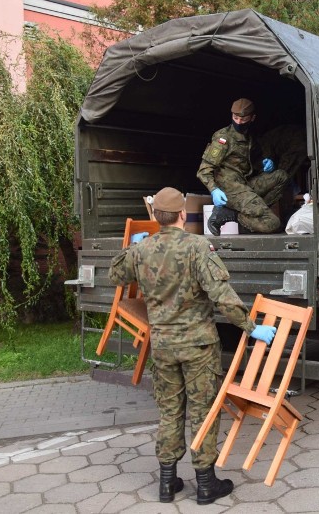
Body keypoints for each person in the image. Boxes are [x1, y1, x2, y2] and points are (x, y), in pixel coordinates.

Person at [108, 187, 277, 505]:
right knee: (202, 412)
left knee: (170, 411)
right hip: (198, 346)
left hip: (163, 346)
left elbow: (114, 274)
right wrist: (252, 328)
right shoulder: (198, 247)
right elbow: (221, 295)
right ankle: (205, 484)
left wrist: (133, 247)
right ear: (183, 214)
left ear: (157, 216)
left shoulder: (143, 250)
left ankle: (167, 484)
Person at [196, 98, 292, 236]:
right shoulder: (223, 138)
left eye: (243, 119)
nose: (239, 122)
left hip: (244, 184)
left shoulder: (249, 137)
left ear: (252, 118)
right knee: (273, 224)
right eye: (235, 118)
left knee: (281, 176)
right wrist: (214, 190)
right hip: (229, 190)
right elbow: (203, 170)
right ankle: (233, 215)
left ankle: (242, 212)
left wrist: (265, 164)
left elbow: (246, 163)